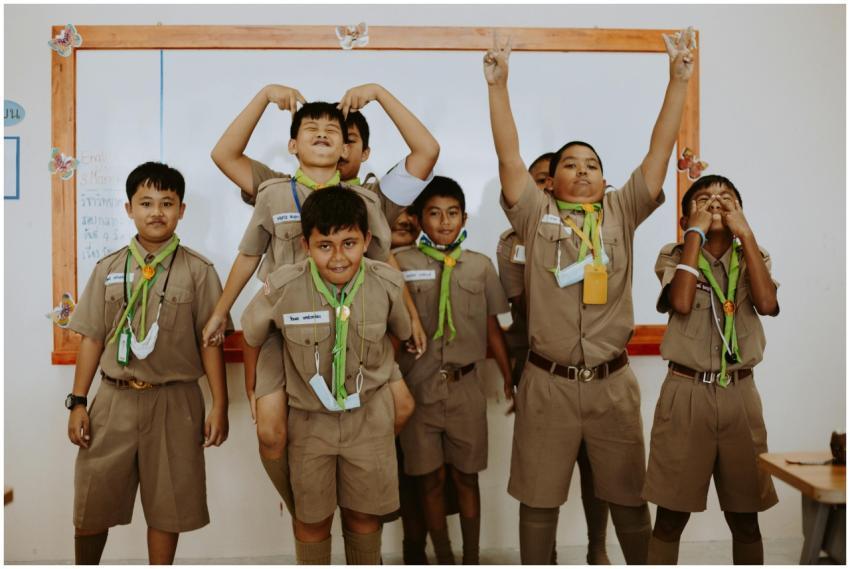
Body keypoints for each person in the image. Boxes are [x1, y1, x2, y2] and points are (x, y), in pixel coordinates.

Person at [484, 27, 696, 564]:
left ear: (604, 181)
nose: (582, 171)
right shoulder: (536, 215)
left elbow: (657, 154)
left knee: (627, 502)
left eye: (592, 165)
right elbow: (510, 159)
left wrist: (677, 81)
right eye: (570, 165)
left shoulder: (621, 212)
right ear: (550, 182)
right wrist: (499, 88)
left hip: (611, 386)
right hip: (547, 384)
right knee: (539, 505)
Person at [203, 100, 418, 515]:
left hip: (351, 326)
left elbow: (381, 265)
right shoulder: (273, 190)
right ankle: (303, 503)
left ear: (347, 149)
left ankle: (359, 486)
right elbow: (248, 254)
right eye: (311, 128)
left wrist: (412, 314)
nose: (321, 133)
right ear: (292, 144)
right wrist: (219, 310)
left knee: (401, 405)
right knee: (270, 430)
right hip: (287, 329)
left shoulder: (364, 199)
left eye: (333, 130)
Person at [66, 162, 229, 564]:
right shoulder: (107, 269)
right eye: (146, 202)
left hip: (175, 403)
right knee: (93, 500)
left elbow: (211, 344)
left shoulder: (199, 271)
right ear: (128, 209)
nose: (157, 211)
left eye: (167, 203)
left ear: (181, 210)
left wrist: (220, 404)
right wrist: (78, 401)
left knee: (167, 506)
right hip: (114, 401)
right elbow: (92, 338)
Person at [241, 187, 414, 564]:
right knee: (312, 522)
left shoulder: (386, 283)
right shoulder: (284, 286)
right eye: (325, 245)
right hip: (309, 424)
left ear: (367, 240)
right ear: (306, 244)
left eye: (349, 242)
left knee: (364, 517)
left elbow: (397, 335)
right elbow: (253, 336)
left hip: (368, 420)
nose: (338, 257)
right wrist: (252, 388)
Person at [643, 175, 779, 565]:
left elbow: (767, 303)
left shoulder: (754, 254)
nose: (716, 202)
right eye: (703, 198)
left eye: (726, 198)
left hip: (740, 395)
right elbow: (682, 301)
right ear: (686, 215)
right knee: (670, 517)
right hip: (685, 393)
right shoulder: (674, 254)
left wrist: (747, 236)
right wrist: (694, 236)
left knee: (745, 517)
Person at [496, 152, 611, 565]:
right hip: (540, 364)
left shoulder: (600, 229)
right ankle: (549, 555)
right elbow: (524, 307)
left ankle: (597, 548)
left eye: (549, 179)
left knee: (596, 471)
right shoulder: (515, 243)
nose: (545, 188)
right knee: (546, 477)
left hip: (594, 365)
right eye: (538, 182)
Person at [395, 176, 512, 564]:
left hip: (466, 387)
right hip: (419, 390)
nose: (445, 222)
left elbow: (492, 327)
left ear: (463, 217)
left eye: (453, 213)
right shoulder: (399, 264)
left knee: (467, 476)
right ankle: (442, 556)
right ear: (418, 219)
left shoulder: (479, 267)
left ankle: (472, 558)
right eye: (434, 213)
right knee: (429, 479)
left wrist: (509, 378)